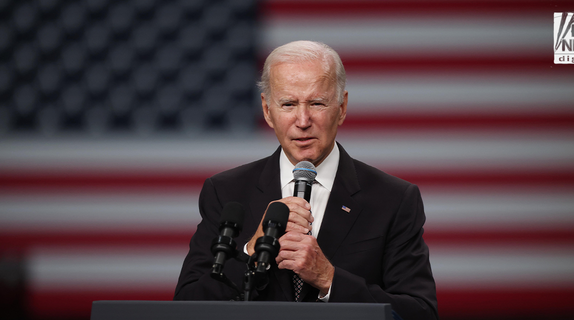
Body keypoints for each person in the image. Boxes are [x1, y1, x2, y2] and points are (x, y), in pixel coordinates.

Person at [174, 40, 438, 320]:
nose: (302, 120)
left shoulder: (393, 199)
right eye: (288, 104)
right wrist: (252, 249)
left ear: (342, 107)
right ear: (267, 110)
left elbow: (419, 312)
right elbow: (188, 304)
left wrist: (329, 280)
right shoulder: (226, 192)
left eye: (316, 103)